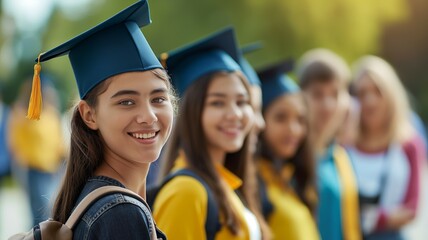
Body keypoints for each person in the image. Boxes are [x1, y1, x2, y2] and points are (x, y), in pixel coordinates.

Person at [28, 1, 173, 238]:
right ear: (89, 115)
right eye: (126, 101)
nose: (148, 116)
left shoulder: (99, 199)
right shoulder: (121, 213)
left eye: (158, 99)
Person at [151, 27, 270, 240]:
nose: (234, 114)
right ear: (191, 112)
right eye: (217, 103)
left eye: (242, 102)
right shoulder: (186, 192)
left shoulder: (226, 184)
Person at [347, 56, 424, 240]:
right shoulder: (344, 144)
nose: (369, 101)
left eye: (378, 91)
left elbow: (410, 210)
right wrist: (386, 216)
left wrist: (367, 218)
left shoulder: (409, 144)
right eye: (361, 93)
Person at [296, 48, 361, 240]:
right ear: (301, 96)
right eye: (317, 94)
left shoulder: (340, 157)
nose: (328, 105)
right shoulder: (292, 157)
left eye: (335, 94)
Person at [256, 60, 319, 239]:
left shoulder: (293, 180)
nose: (293, 129)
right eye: (281, 117)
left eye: (300, 119)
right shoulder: (252, 184)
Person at [8, 77, 64, 226]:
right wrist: (21, 160)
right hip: (33, 169)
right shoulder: (25, 114)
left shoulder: (52, 114)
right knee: (39, 211)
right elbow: (15, 139)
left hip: (52, 170)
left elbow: (58, 141)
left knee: (51, 209)